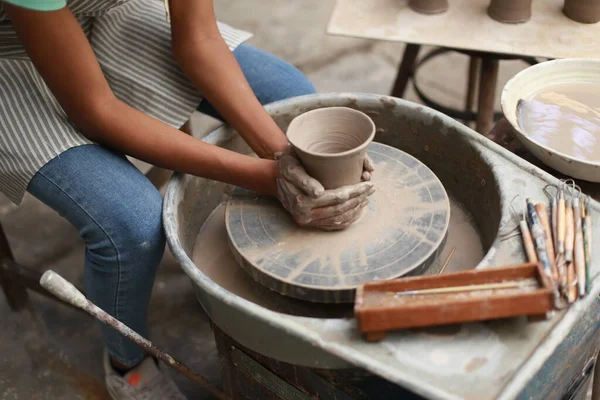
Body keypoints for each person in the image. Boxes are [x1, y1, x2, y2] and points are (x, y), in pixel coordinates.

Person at [0, 0, 375, 398]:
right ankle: (127, 362)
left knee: (293, 99)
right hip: (8, 57)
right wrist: (268, 178)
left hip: (98, 14)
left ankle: (240, 287)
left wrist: (282, 153)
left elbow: (199, 39)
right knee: (132, 223)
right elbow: (95, 109)